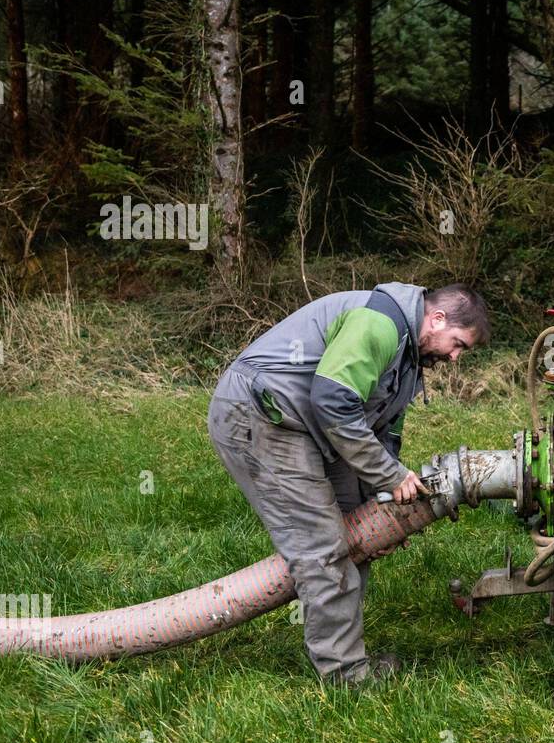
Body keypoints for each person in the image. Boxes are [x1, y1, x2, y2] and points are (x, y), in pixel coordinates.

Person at [206, 282, 490, 687]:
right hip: (263, 418)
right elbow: (333, 402)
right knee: (323, 546)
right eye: (458, 343)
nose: (456, 356)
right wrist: (392, 477)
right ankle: (344, 675)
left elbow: (382, 432)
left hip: (309, 426)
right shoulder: (379, 325)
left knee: (356, 531)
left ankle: (342, 651)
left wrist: (383, 510)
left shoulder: (410, 353)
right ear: (438, 318)